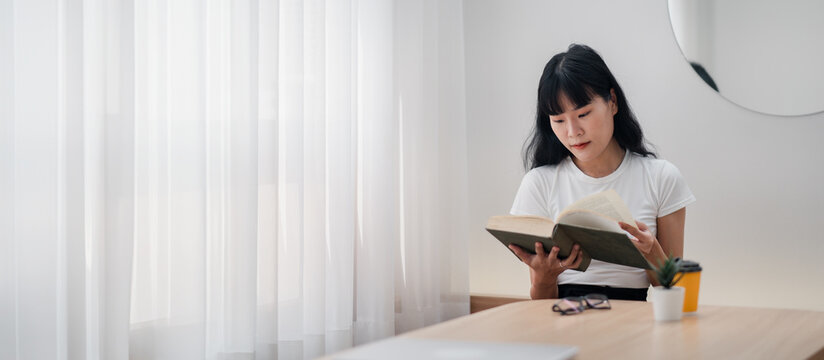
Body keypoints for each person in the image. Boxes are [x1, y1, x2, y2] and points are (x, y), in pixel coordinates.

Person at [508, 44, 695, 301]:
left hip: (632, 320)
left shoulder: (661, 178)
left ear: (613, 102)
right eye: (559, 120)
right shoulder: (539, 183)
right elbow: (541, 303)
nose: (573, 132)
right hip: (562, 318)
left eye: (583, 114)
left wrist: (652, 251)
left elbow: (675, 294)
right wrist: (545, 276)